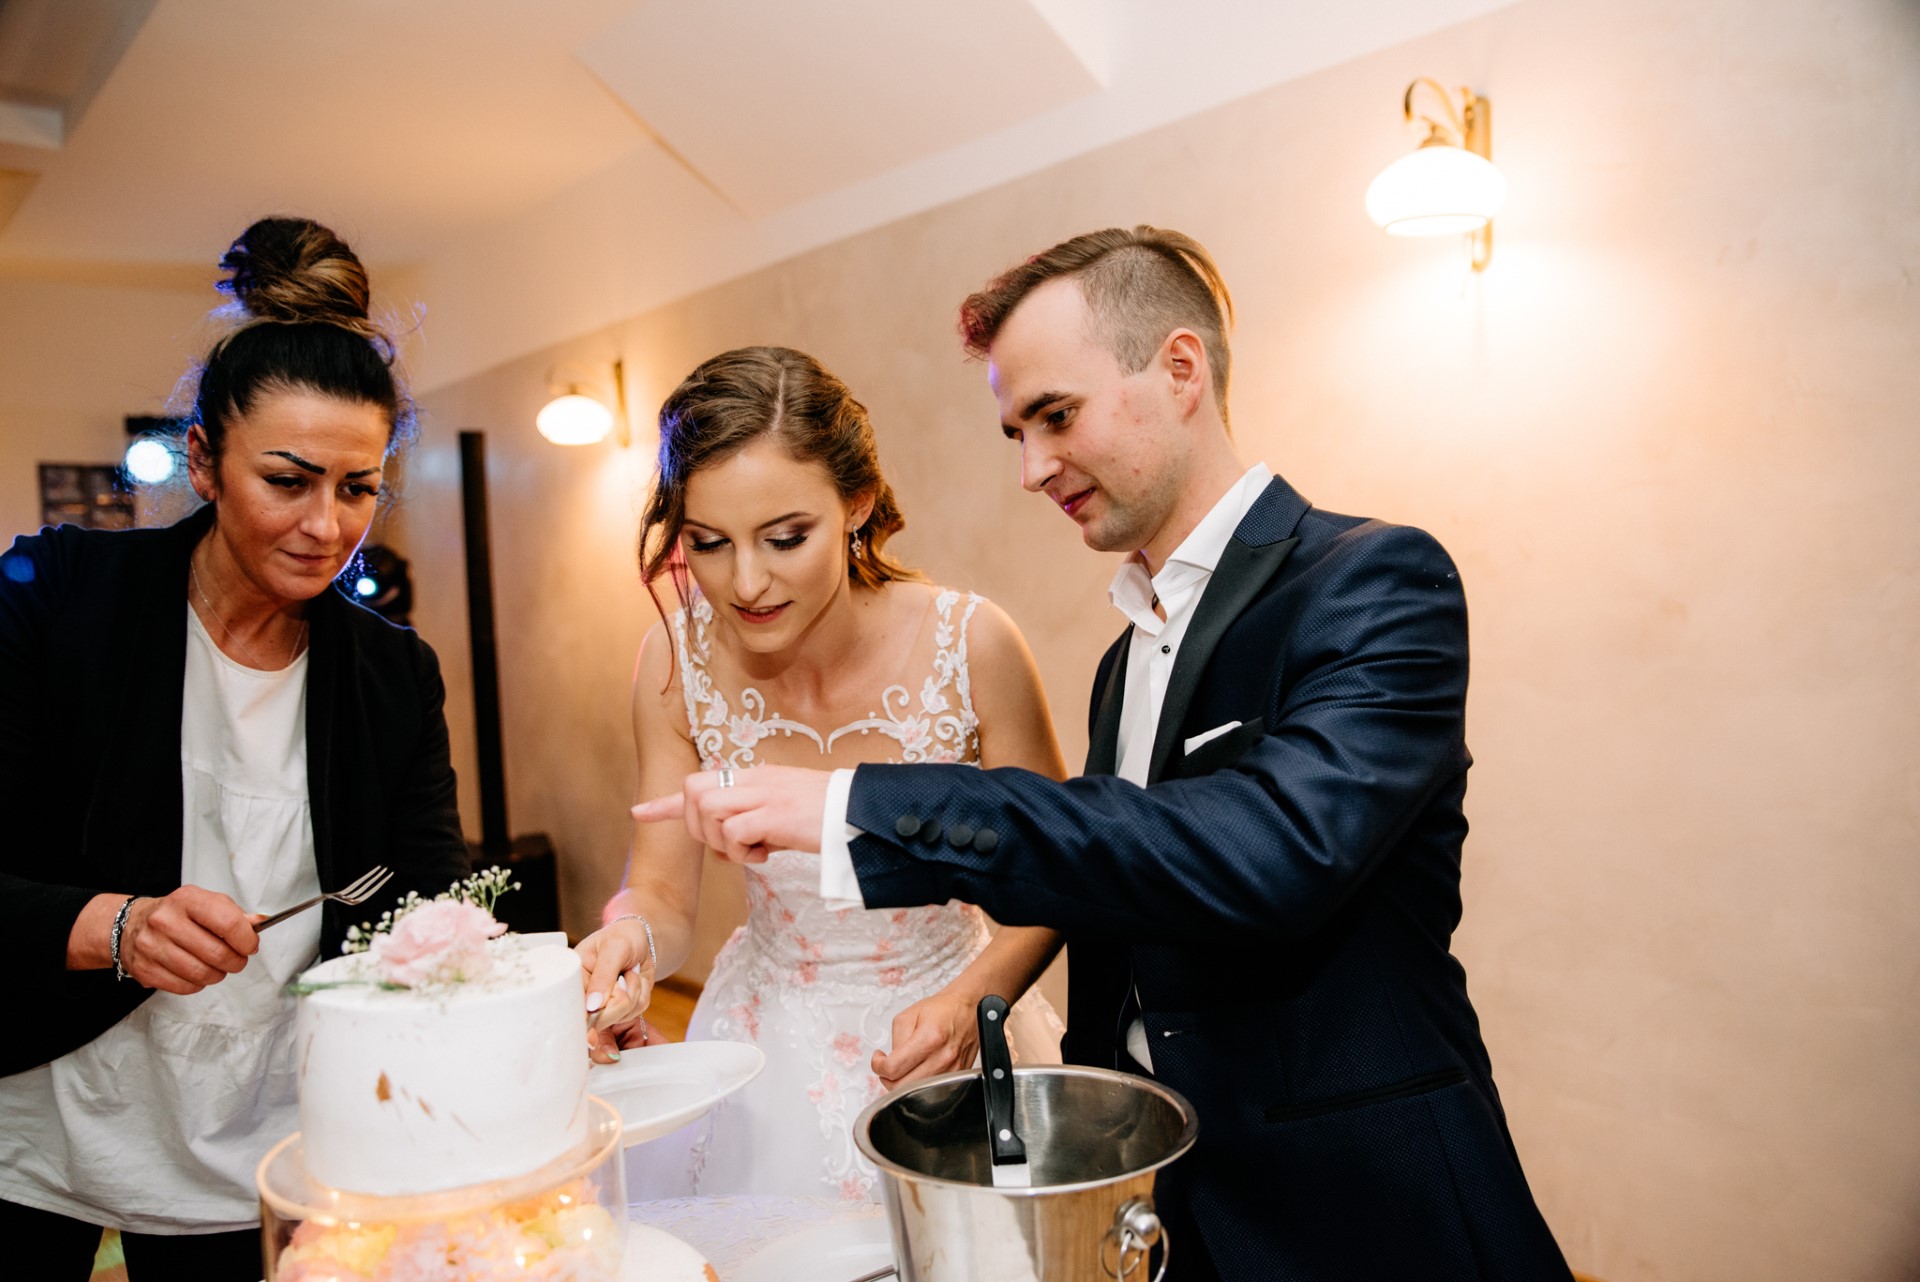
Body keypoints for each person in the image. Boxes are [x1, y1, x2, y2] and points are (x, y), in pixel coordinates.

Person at [635, 229, 1575, 1278]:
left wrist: (850, 807)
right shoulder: (1125, 662)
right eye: (1017, 433)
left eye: (1056, 416)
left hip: (1354, 1207)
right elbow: (1100, 874)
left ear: (1181, 369)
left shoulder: (1372, 581)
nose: (1032, 468)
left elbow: (1272, 852)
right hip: (1158, 1193)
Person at [0, 217, 470, 1279]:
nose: (327, 526)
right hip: (40, 1123)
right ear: (204, 461)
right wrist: (112, 925)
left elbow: (426, 903)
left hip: (260, 1141)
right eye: (288, 480)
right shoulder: (59, 597)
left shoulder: (394, 674)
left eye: (358, 487)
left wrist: (534, 994)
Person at [576, 345, 1066, 1201]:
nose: (746, 582)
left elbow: (1062, 872)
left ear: (857, 503)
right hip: (765, 1045)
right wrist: (630, 941)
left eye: (785, 538)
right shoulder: (672, 662)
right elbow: (660, 893)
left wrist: (971, 1001)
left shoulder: (973, 644)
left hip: (951, 1027)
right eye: (708, 543)